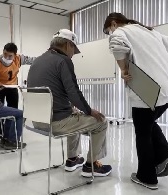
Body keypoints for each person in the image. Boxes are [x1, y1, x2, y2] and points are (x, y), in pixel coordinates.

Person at [104, 13, 168, 190]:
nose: (110, 33)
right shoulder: (152, 33)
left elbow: (116, 44)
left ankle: (147, 177)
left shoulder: (122, 31)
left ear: (113, 23)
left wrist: (123, 69)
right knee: (148, 124)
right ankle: (164, 157)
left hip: (147, 88)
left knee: (142, 132)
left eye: (108, 30)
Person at [27, 29, 112, 177]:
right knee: (102, 122)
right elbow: (74, 93)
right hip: (55, 123)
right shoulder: (63, 60)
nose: (73, 54)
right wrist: (89, 111)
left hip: (37, 121)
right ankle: (91, 165)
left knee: (73, 113)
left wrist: (76, 109)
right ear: (68, 45)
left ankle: (72, 159)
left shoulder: (37, 61)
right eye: (74, 49)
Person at [0, 43, 36, 139]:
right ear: (3, 51)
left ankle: (9, 132)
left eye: (10, 56)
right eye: (5, 54)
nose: (7, 57)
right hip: (0, 87)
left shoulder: (19, 59)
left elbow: (35, 60)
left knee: (13, 110)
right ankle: (0, 131)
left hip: (12, 87)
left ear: (15, 55)